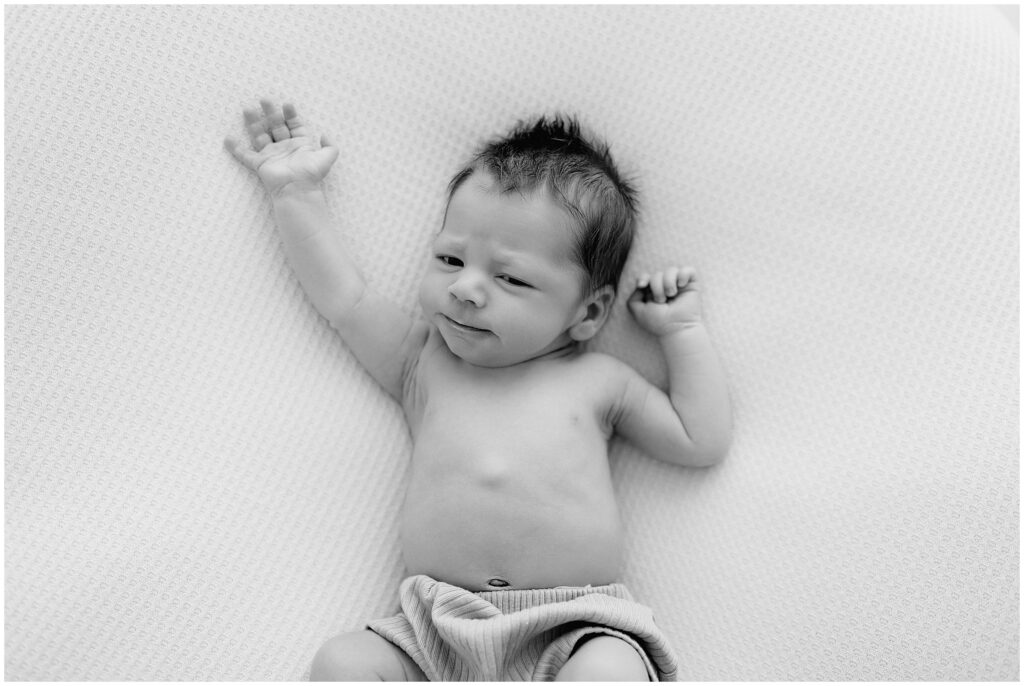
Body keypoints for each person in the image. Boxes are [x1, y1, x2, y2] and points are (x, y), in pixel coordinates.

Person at [224, 100, 733, 682]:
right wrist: (295, 195)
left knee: (609, 672)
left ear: (588, 313)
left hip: (572, 629)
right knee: (343, 662)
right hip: (434, 631)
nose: (465, 288)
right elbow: (345, 299)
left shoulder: (599, 382)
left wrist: (682, 333)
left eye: (510, 277)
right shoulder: (421, 362)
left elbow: (701, 439)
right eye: (449, 258)